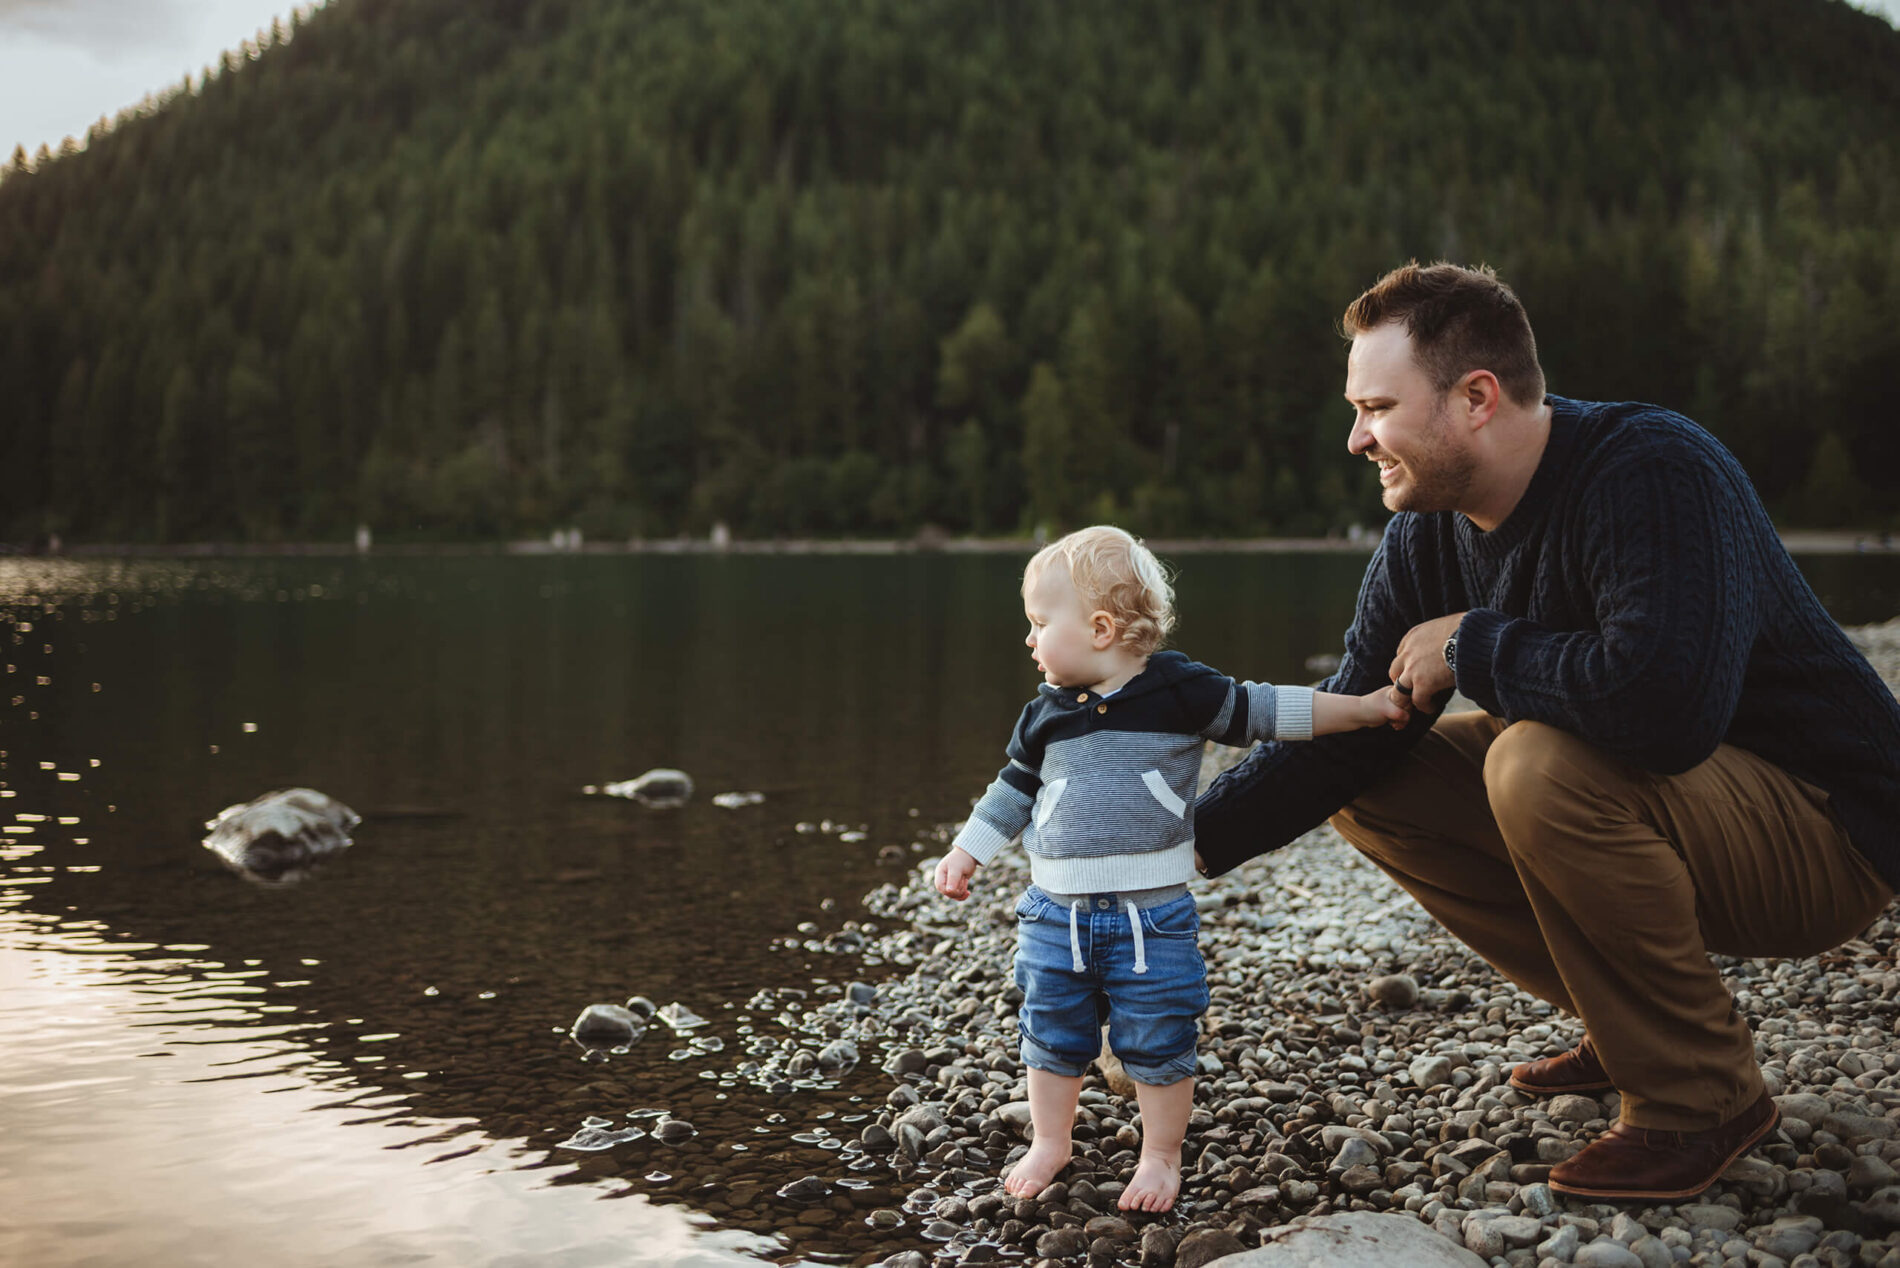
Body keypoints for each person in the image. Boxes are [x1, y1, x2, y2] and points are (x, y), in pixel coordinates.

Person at [1193, 261, 1900, 1202]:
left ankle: (1700, 1096)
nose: (1357, 438)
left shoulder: (1653, 469)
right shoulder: (1432, 531)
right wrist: (1173, 845)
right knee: (1366, 775)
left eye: (1377, 407)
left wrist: (1476, 645)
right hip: (1684, 809)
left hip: (1828, 832)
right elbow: (1362, 721)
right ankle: (1634, 1028)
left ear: (1476, 397)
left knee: (1535, 764)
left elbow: (1665, 711)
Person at [934, 526, 1406, 1212]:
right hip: (1052, 916)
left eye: (1039, 624)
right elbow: (1013, 790)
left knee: (1159, 1035)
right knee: (1050, 1034)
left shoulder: (1179, 690)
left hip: (1149, 917)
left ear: (1100, 628)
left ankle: (1159, 1155)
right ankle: (1050, 1141)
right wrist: (966, 849)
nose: (1030, 640)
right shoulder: (1045, 714)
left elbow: (1266, 709)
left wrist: (1360, 709)